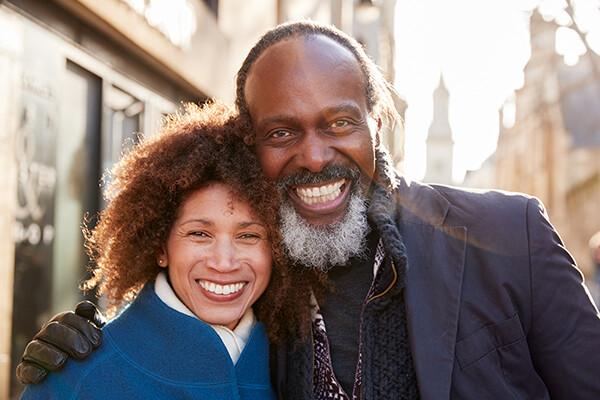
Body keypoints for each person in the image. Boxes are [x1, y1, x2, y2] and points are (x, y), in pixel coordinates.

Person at [17, 21, 600, 399]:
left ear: (379, 122)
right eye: (281, 131)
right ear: (251, 145)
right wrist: (83, 356)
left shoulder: (509, 234)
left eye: (340, 122)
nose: (316, 156)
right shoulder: (258, 275)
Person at [19, 102, 314, 399]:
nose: (224, 262)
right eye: (199, 234)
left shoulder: (301, 367)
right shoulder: (76, 381)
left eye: (249, 235)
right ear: (161, 245)